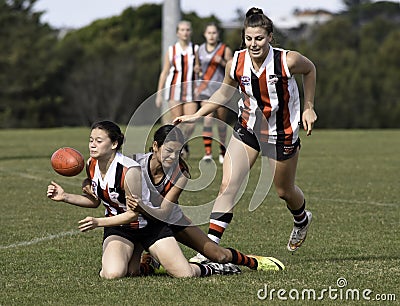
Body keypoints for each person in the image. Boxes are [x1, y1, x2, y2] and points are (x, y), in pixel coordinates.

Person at [173, 8, 318, 263]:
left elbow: (311, 70)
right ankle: (208, 250)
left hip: (281, 132)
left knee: (284, 191)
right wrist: (199, 114)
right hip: (248, 128)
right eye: (249, 38)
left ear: (270, 37)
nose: (254, 44)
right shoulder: (236, 62)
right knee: (228, 186)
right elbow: (222, 93)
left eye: (259, 38)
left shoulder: (288, 60)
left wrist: (308, 107)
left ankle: (301, 218)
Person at [47, 120, 241, 279]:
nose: (92, 145)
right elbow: (95, 200)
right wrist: (65, 196)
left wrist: (99, 221)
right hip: (123, 227)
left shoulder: (135, 170)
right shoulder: (93, 164)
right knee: (117, 273)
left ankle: (215, 268)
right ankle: (145, 261)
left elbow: (145, 213)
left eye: (98, 141)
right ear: (155, 146)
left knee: (188, 272)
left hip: (155, 223)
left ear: (114, 144)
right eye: (91, 140)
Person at [126, 124, 285, 273]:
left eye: (178, 152)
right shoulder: (133, 163)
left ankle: (251, 262)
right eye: (168, 150)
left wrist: (141, 208)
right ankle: (152, 262)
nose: (173, 156)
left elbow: (165, 212)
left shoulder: (181, 172)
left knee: (218, 255)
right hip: (142, 221)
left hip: (170, 219)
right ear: (155, 146)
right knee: (131, 271)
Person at [156, 20, 199, 158]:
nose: (185, 32)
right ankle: (179, 148)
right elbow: (165, 71)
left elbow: (199, 69)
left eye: (187, 29)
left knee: (191, 122)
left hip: (191, 89)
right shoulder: (172, 50)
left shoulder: (196, 49)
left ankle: (184, 143)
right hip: (174, 88)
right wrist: (159, 93)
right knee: (177, 121)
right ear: (177, 33)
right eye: (182, 30)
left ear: (190, 32)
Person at [196, 23, 233, 164]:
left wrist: (222, 62)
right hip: (205, 90)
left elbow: (232, 69)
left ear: (218, 34)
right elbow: (197, 67)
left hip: (221, 90)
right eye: (209, 33)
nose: (211, 35)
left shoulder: (224, 49)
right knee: (208, 119)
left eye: (214, 33)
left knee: (221, 122)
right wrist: (197, 69)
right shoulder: (199, 50)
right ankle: (208, 153)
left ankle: (222, 151)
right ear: (205, 34)